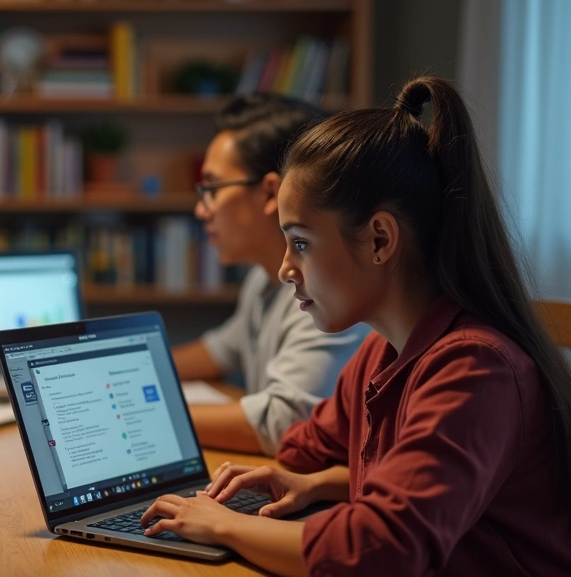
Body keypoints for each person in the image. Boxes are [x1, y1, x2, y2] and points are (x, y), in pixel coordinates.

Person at [139, 77, 571, 575]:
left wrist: (221, 525)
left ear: (380, 240)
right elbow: (307, 446)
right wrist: (316, 483)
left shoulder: (474, 369)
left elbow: (383, 549)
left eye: (299, 243)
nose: (284, 269)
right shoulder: (382, 352)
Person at [172, 94, 369, 454]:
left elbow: (287, 421)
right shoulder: (263, 279)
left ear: (271, 192)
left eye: (212, 190)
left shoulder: (326, 291)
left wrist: (150, 413)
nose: (201, 210)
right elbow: (221, 350)